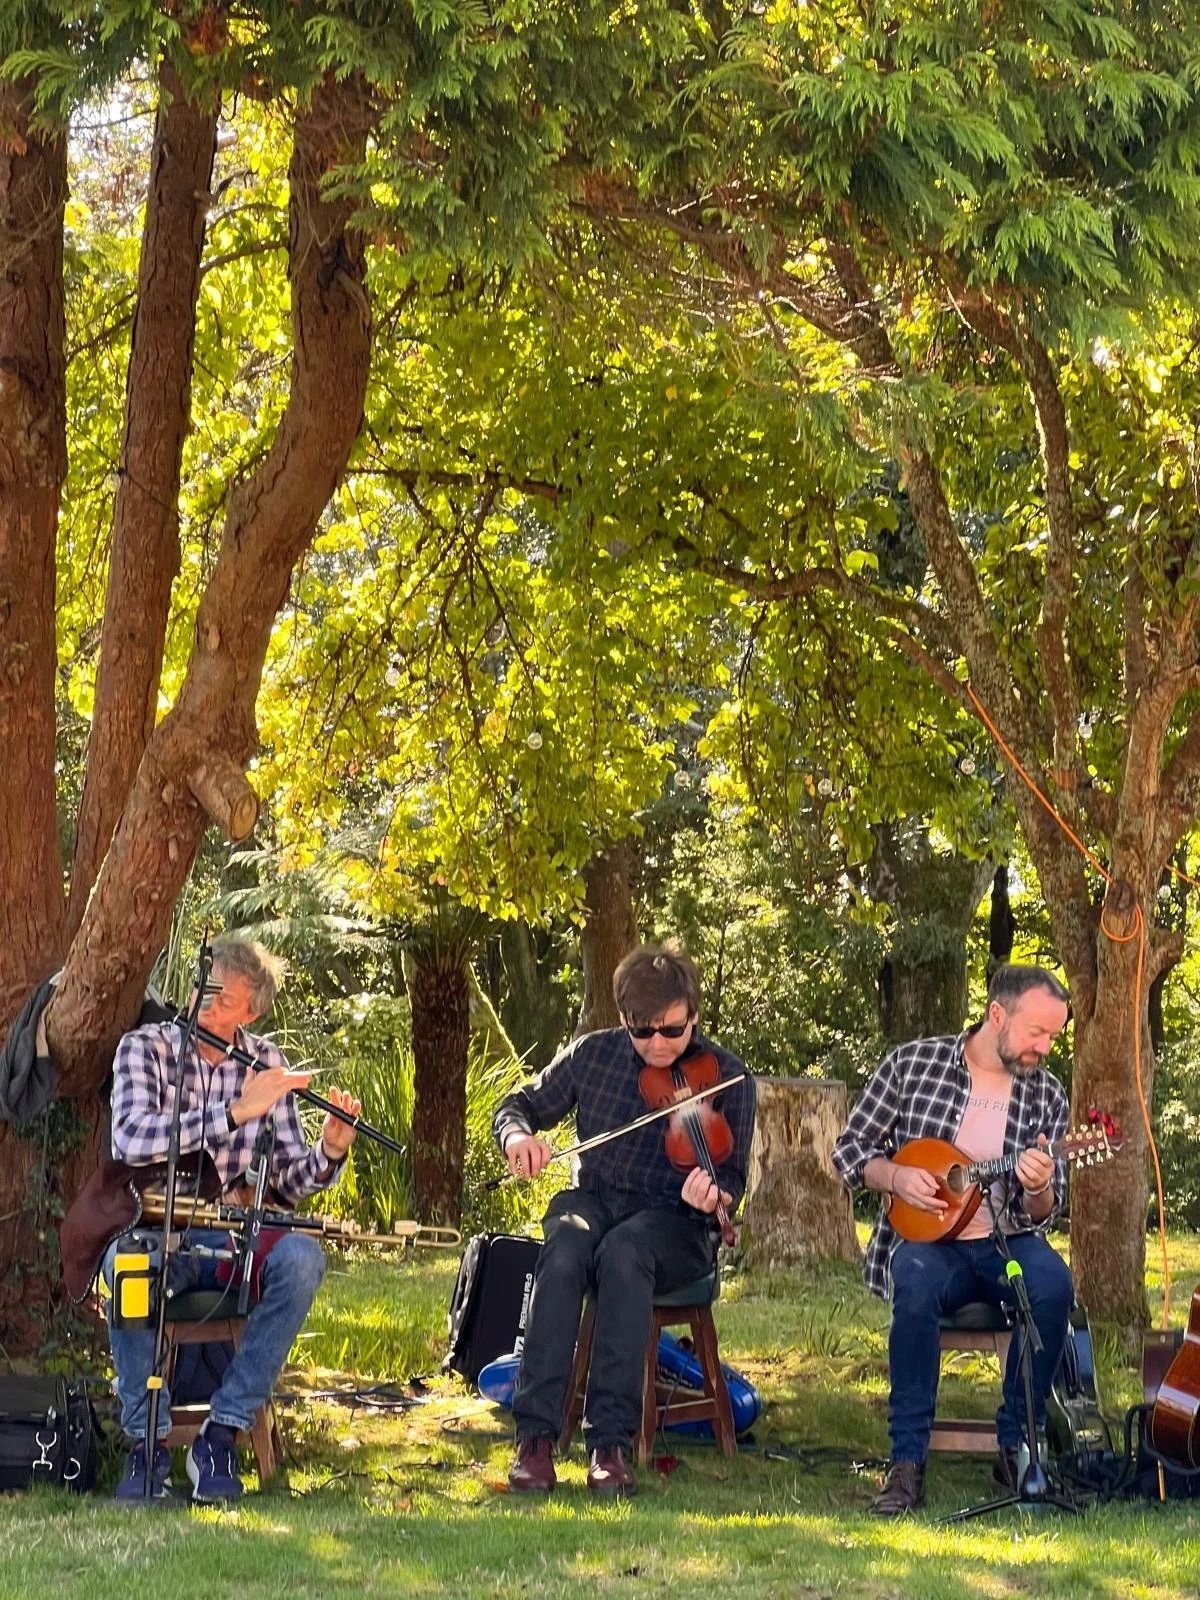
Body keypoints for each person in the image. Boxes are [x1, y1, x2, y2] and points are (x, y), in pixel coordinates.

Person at [102, 937, 360, 1504]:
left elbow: (287, 1183)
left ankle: (220, 1435)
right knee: (128, 1266)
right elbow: (133, 1139)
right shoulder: (144, 1048)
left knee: (302, 1258)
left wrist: (330, 1153)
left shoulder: (268, 1064)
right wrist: (234, 1112)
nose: (206, 1002)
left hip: (229, 1241)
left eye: (224, 997)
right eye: (203, 988)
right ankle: (146, 1444)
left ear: (253, 1010)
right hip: (151, 1230)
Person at [493, 944, 756, 1498]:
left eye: (673, 1030)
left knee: (625, 1252)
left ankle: (609, 1443)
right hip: (597, 1199)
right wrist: (518, 1136)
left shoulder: (727, 1077)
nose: (658, 1044)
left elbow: (732, 1177)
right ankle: (535, 1437)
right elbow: (518, 1105)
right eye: (643, 1032)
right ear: (623, 1020)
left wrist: (712, 1194)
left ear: (695, 1014)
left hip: (677, 1221)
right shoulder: (592, 1055)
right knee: (565, 1248)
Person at [832, 963, 1074, 1516]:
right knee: (913, 1279)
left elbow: (1045, 1209)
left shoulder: (1047, 1094)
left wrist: (1037, 1186)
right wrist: (895, 1177)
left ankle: (1016, 1448)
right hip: (930, 1244)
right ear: (997, 1015)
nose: (1046, 1047)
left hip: (1004, 1242)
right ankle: (906, 1463)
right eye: (1036, 1032)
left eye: (1054, 1035)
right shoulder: (914, 1064)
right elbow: (849, 1152)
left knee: (1054, 1284)